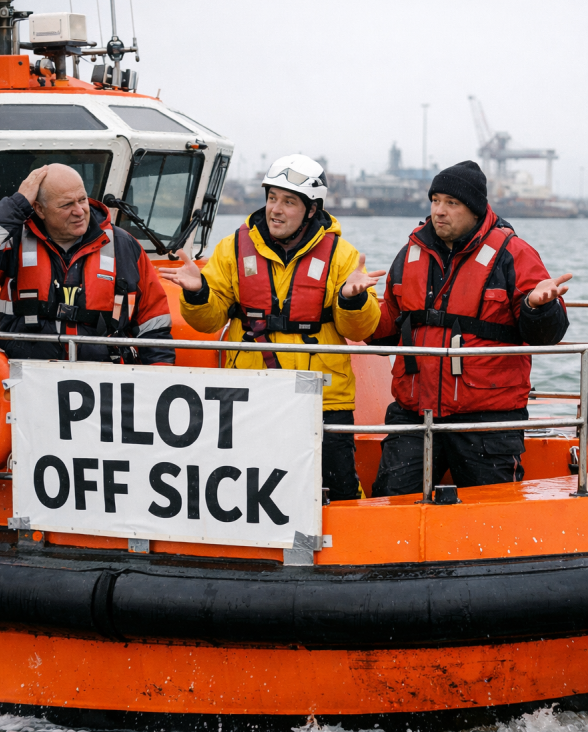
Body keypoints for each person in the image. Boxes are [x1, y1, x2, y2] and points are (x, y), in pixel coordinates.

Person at [160, 153, 384, 501]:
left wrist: (353, 299)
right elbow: (210, 321)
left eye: (289, 202)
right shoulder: (233, 249)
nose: (275, 209)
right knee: (247, 488)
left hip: (323, 399)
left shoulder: (342, 257)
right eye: (272, 198)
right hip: (251, 395)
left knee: (338, 492)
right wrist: (199, 293)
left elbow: (360, 328)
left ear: (312, 209)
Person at [370, 159, 570, 496]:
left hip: (487, 422)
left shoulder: (514, 254)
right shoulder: (409, 255)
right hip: (414, 416)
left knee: (495, 517)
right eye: (435, 201)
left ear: (475, 210)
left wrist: (539, 306)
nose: (440, 211)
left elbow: (547, 335)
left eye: (452, 203)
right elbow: (383, 332)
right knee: (389, 502)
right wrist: (352, 304)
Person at [0, 164, 175, 365]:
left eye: (82, 200)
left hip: (104, 384)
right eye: (66, 204)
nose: (79, 211)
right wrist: (17, 204)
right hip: (30, 381)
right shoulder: (14, 243)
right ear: (39, 209)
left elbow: (153, 325)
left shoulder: (124, 246)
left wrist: (158, 378)